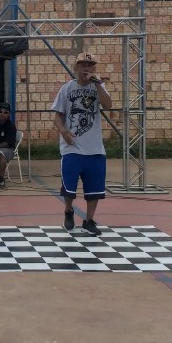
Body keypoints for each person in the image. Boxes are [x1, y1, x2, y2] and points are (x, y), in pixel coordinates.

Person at [52, 52, 113, 234]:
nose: (86, 68)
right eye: (83, 64)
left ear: (94, 68)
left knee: (94, 188)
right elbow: (57, 116)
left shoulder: (99, 86)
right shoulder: (67, 88)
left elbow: (108, 105)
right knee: (69, 187)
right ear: (76, 67)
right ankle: (68, 210)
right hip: (72, 147)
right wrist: (64, 132)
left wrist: (98, 83)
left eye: (90, 64)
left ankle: (89, 220)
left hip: (94, 148)